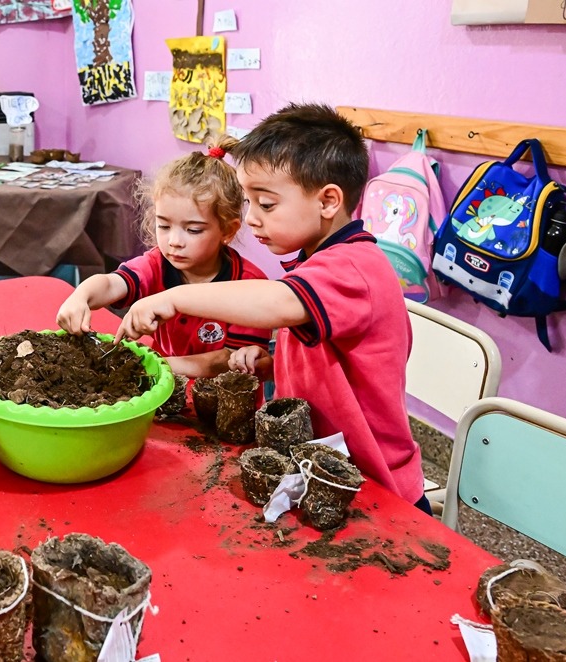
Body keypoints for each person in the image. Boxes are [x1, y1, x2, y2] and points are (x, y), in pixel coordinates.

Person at [115, 103, 429, 514]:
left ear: (328, 201)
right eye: (250, 204)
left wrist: (172, 298)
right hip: (320, 462)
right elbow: (330, 357)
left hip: (372, 481)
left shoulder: (354, 266)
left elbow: (279, 302)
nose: (253, 221)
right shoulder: (319, 259)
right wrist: (272, 363)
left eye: (266, 204)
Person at [57, 139, 270, 377]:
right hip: (162, 388)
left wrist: (152, 366)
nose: (174, 241)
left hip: (221, 403)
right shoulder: (156, 264)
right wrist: (80, 296)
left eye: (193, 230)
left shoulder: (249, 286)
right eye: (164, 225)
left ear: (228, 231)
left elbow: (226, 361)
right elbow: (112, 283)